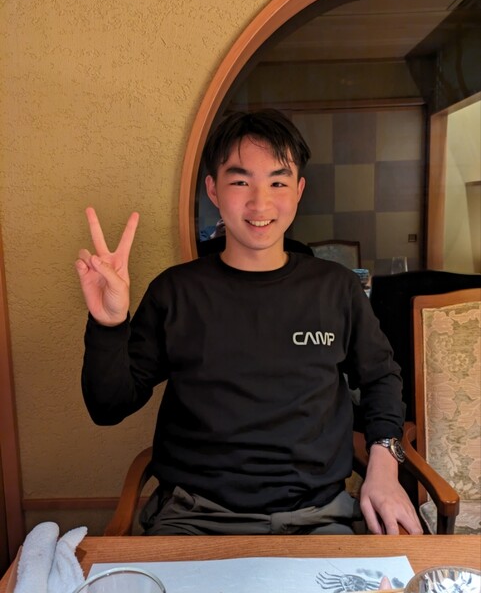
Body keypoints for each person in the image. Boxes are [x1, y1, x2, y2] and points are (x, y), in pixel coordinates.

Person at [76, 109, 422, 536]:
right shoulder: (176, 292)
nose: (260, 203)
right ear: (213, 190)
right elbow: (108, 406)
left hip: (317, 516)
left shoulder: (335, 288)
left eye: (278, 182)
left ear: (299, 190)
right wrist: (109, 324)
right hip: (195, 518)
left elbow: (381, 377)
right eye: (240, 182)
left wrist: (384, 466)